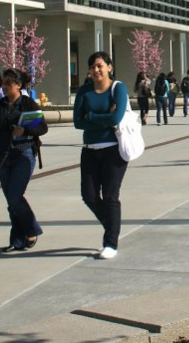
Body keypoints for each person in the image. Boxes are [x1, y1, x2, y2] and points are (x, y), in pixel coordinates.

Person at [0, 68, 47, 253]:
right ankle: (18, 239)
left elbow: (42, 128)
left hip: (24, 155)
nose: (5, 86)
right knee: (11, 200)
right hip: (3, 156)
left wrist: (24, 131)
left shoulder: (29, 104)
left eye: (9, 83)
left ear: (18, 85)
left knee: (15, 197)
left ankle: (29, 231)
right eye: (3, 83)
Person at [73, 52, 129, 260]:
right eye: (92, 67)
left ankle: (110, 242)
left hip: (113, 150)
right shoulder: (84, 91)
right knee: (88, 196)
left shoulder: (118, 88)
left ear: (109, 67)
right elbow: (78, 122)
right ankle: (112, 226)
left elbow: (116, 117)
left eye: (99, 66)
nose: (96, 70)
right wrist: (103, 118)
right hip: (89, 150)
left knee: (110, 196)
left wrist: (92, 116)